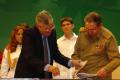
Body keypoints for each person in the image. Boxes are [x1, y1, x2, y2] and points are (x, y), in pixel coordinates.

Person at [14, 10, 81, 78]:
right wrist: (48, 67)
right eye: (46, 28)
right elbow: (30, 58)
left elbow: (56, 54)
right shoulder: (29, 34)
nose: (49, 30)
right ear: (39, 26)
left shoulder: (52, 33)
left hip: (46, 76)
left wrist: (71, 62)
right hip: (28, 75)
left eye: (51, 27)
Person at [71, 12, 120, 80]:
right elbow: (76, 53)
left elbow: (116, 59)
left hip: (100, 77)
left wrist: (106, 69)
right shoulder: (82, 33)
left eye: (92, 30)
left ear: (100, 26)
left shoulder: (108, 37)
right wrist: (77, 65)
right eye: (87, 29)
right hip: (83, 76)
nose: (89, 32)